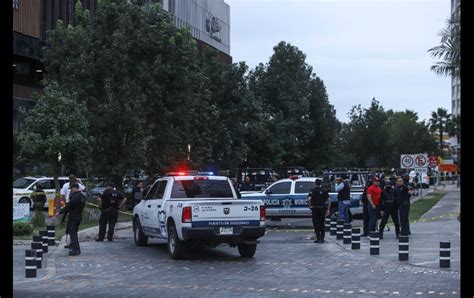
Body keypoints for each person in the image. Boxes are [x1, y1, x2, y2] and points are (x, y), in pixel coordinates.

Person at [55, 183, 86, 256]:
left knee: (73, 234)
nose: (71, 191)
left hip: (73, 217)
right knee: (74, 233)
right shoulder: (82, 196)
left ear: (75, 188)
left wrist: (59, 212)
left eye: (71, 189)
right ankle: (74, 247)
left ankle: (76, 250)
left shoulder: (75, 197)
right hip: (78, 216)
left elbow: (68, 206)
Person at [60, 174, 86, 248]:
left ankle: (73, 245)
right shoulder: (73, 186)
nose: (71, 190)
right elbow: (84, 189)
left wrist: (65, 204)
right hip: (72, 206)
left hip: (71, 206)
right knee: (72, 228)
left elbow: (63, 196)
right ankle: (72, 243)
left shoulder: (74, 187)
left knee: (72, 228)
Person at [307, 179, 331, 243]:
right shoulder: (324, 190)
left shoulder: (312, 190)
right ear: (320, 184)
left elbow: (309, 199)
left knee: (316, 223)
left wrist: (310, 206)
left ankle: (318, 238)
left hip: (315, 208)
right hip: (323, 208)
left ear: (315, 183)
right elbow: (329, 200)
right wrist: (328, 209)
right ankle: (322, 238)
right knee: (322, 223)